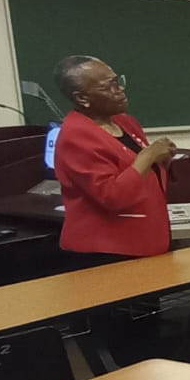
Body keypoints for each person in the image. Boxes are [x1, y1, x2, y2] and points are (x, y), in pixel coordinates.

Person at [52, 54, 176, 260]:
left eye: (118, 81)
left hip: (146, 239)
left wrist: (162, 159)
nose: (120, 89)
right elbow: (112, 197)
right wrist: (148, 156)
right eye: (109, 86)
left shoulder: (125, 122)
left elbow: (140, 175)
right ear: (82, 98)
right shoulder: (76, 135)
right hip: (107, 250)